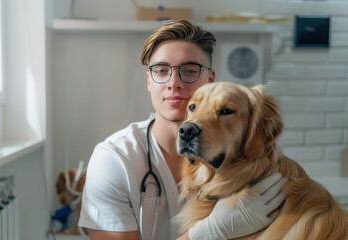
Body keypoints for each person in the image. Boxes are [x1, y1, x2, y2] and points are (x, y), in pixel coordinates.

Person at [78, 19, 286, 240]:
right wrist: (208, 233)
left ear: (210, 79)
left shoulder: (245, 155)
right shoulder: (114, 159)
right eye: (161, 70)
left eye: (189, 70)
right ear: (149, 81)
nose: (174, 82)